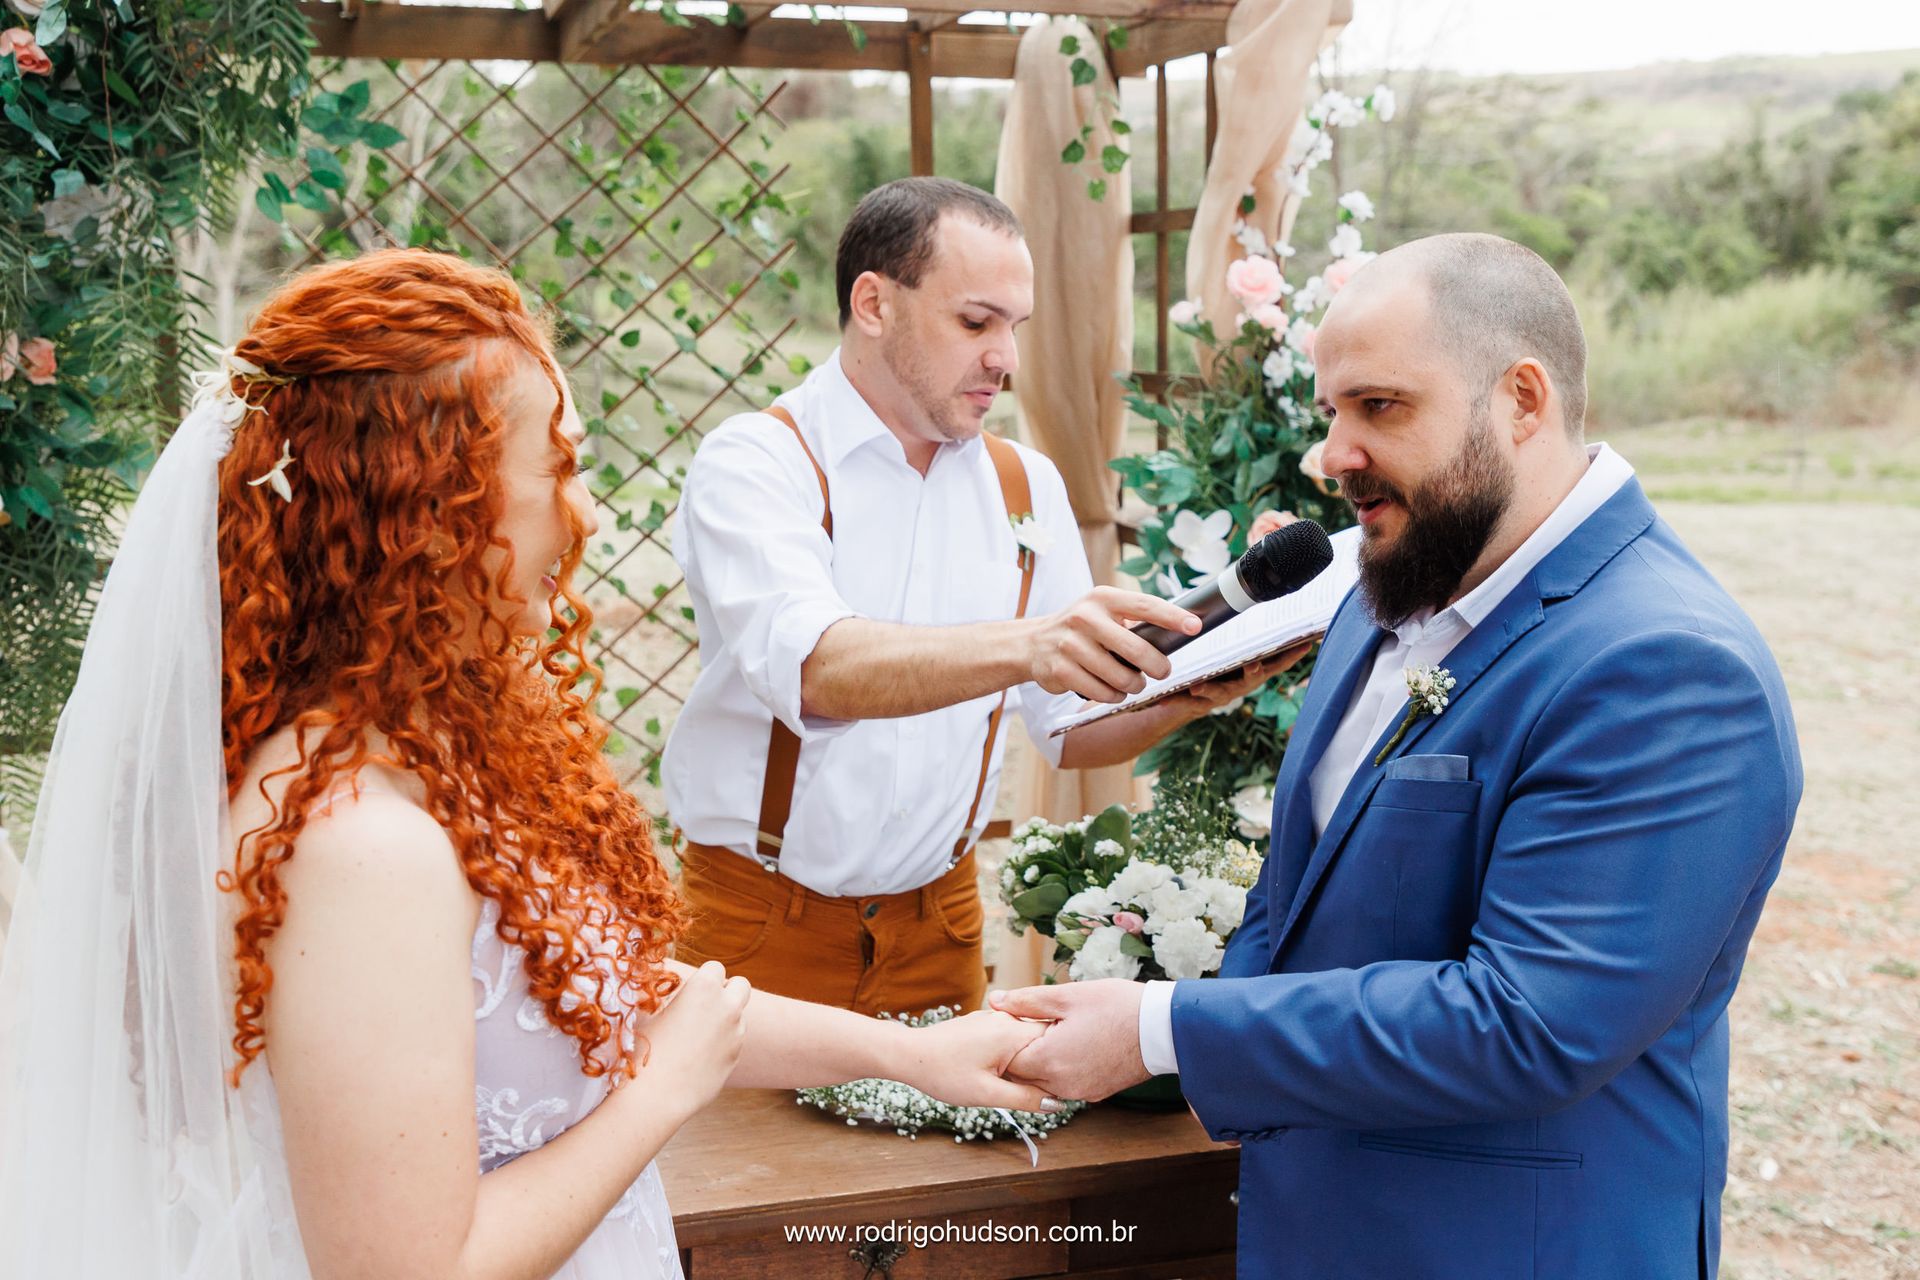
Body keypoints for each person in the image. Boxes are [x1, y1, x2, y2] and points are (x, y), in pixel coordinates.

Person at [0, 248, 1056, 1280]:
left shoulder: (438, 749)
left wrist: (913, 1054)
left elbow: (606, 992)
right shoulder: (359, 846)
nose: (581, 512)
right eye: (557, 464)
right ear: (420, 511)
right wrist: (659, 1093)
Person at [992, 232, 1802, 1278]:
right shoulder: (1395, 581)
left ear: (1521, 400)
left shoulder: (1670, 668)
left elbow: (1528, 1021)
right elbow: (1296, 887)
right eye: (1333, 410)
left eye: (1379, 407)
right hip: (1318, 1226)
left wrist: (1167, 1030)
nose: (1333, 453)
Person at [666, 176, 1302, 1018]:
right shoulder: (757, 463)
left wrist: (1201, 682)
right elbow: (817, 668)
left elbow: (1067, 733)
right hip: (756, 928)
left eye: (1014, 326)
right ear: (873, 303)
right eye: (976, 322)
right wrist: (1033, 644)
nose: (1005, 356)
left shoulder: (1024, 484)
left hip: (944, 928)